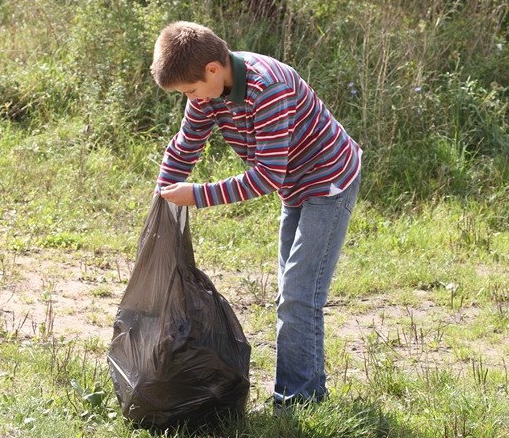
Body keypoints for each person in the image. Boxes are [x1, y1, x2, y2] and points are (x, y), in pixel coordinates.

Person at [151, 21, 362, 412]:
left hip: (329, 182)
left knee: (300, 295)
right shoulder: (207, 93)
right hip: (294, 185)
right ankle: (307, 394)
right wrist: (160, 200)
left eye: (191, 90)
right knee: (290, 293)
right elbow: (186, 146)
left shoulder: (268, 90)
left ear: (213, 69)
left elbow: (265, 177)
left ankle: (296, 402)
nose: (191, 98)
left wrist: (195, 196)